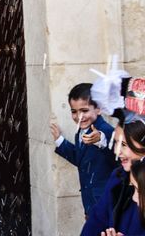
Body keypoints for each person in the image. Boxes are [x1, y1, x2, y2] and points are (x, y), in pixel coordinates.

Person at [50, 83, 118, 215]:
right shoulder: (80, 132)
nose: (79, 116)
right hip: (89, 203)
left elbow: (113, 150)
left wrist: (101, 139)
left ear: (98, 109)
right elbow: (81, 159)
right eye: (74, 111)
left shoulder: (106, 131)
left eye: (84, 111)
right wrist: (60, 141)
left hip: (106, 204)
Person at [82, 113, 145, 235]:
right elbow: (96, 221)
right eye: (116, 142)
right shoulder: (117, 177)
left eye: (124, 145)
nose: (117, 151)